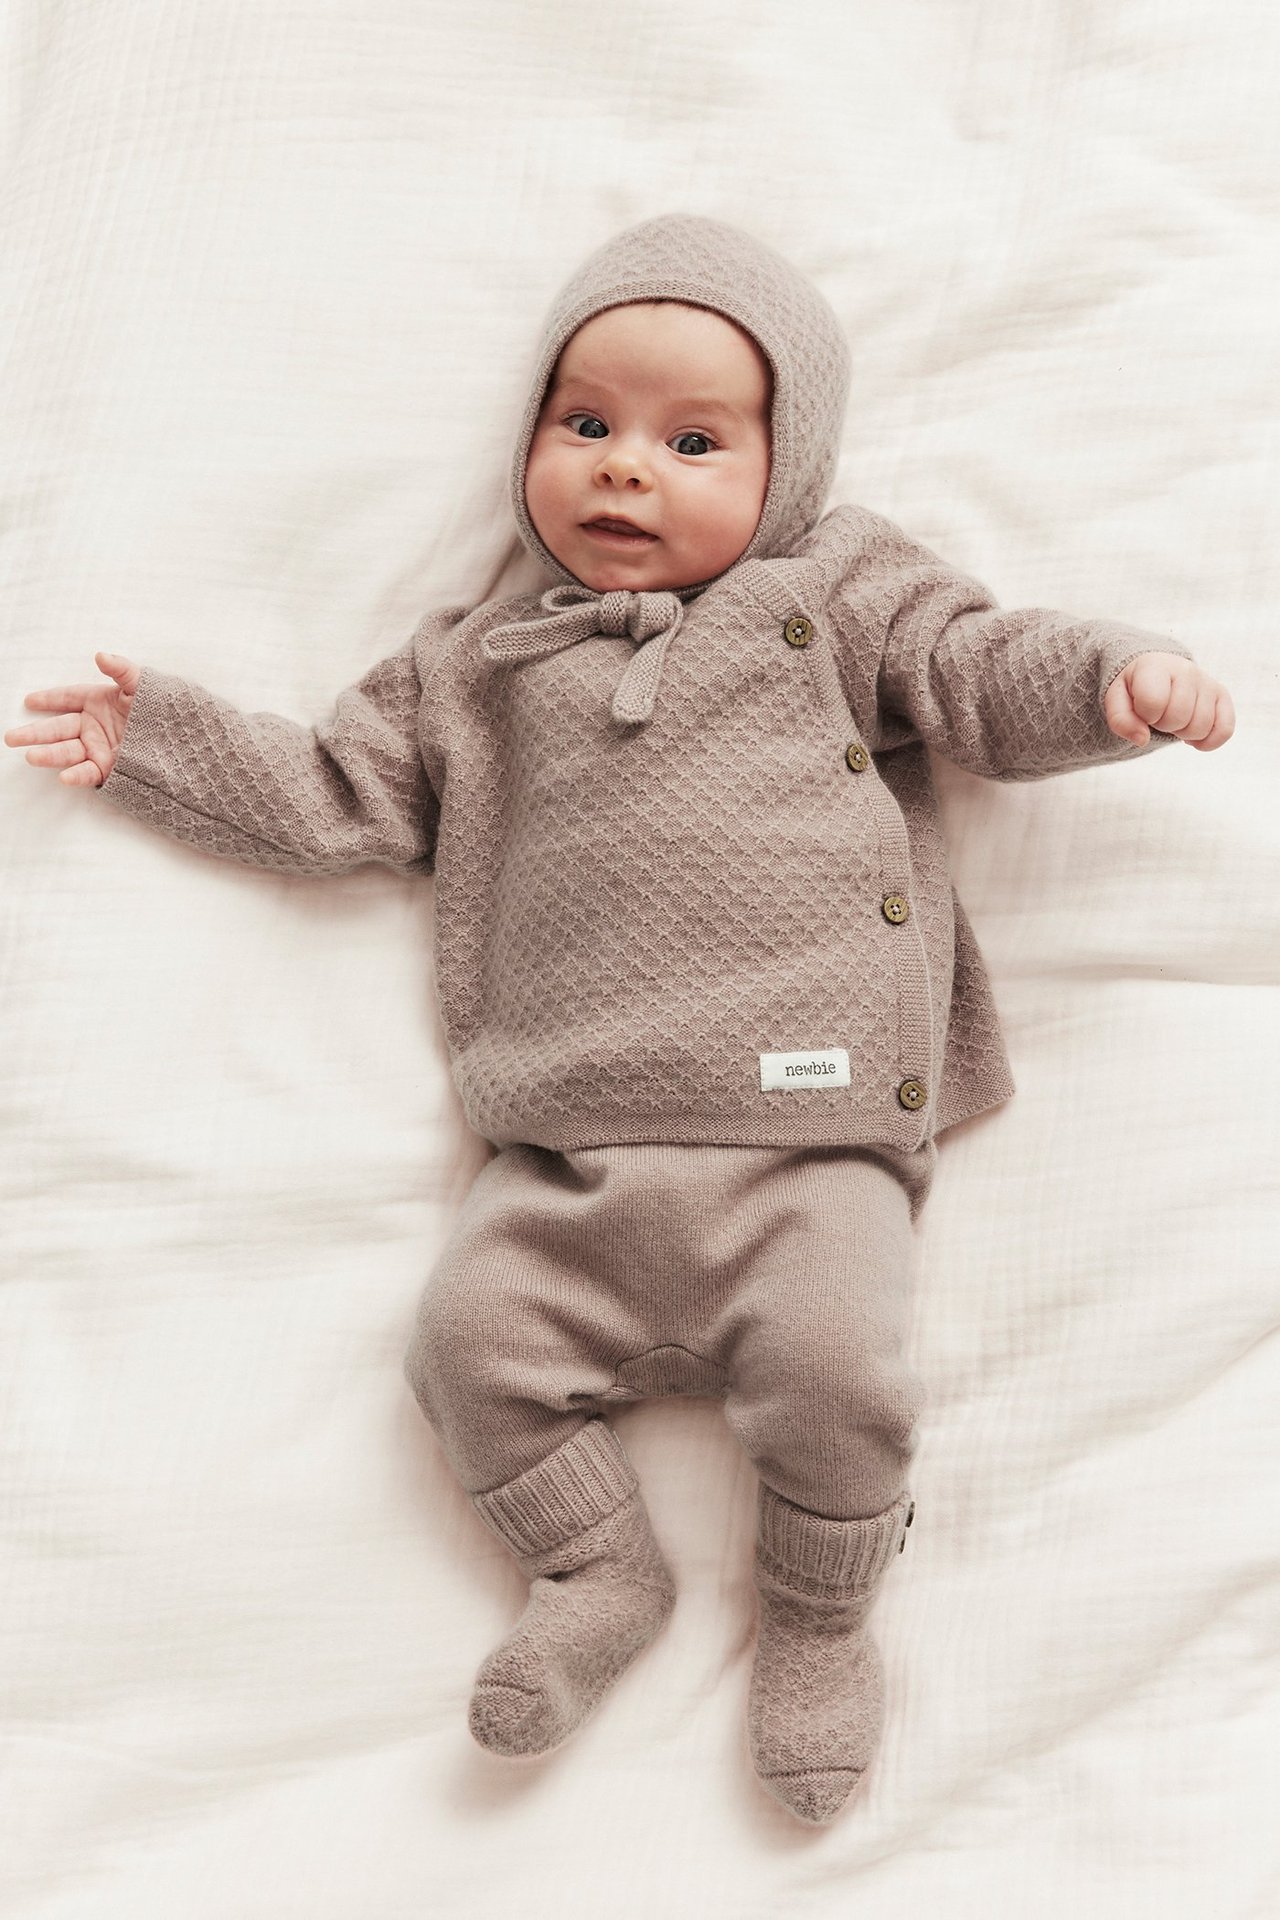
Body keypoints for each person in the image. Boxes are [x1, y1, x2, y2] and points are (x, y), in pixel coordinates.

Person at [4, 214, 1235, 1827]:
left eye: (693, 441)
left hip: (809, 1141)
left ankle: (817, 1621)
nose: (625, 468)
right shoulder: (478, 661)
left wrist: (1114, 679)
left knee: (839, 1373)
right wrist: (162, 741)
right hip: (565, 1167)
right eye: (584, 423)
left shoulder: (835, 590)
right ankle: (597, 1573)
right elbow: (339, 792)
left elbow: (976, 666)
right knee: (463, 1349)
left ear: (789, 468)